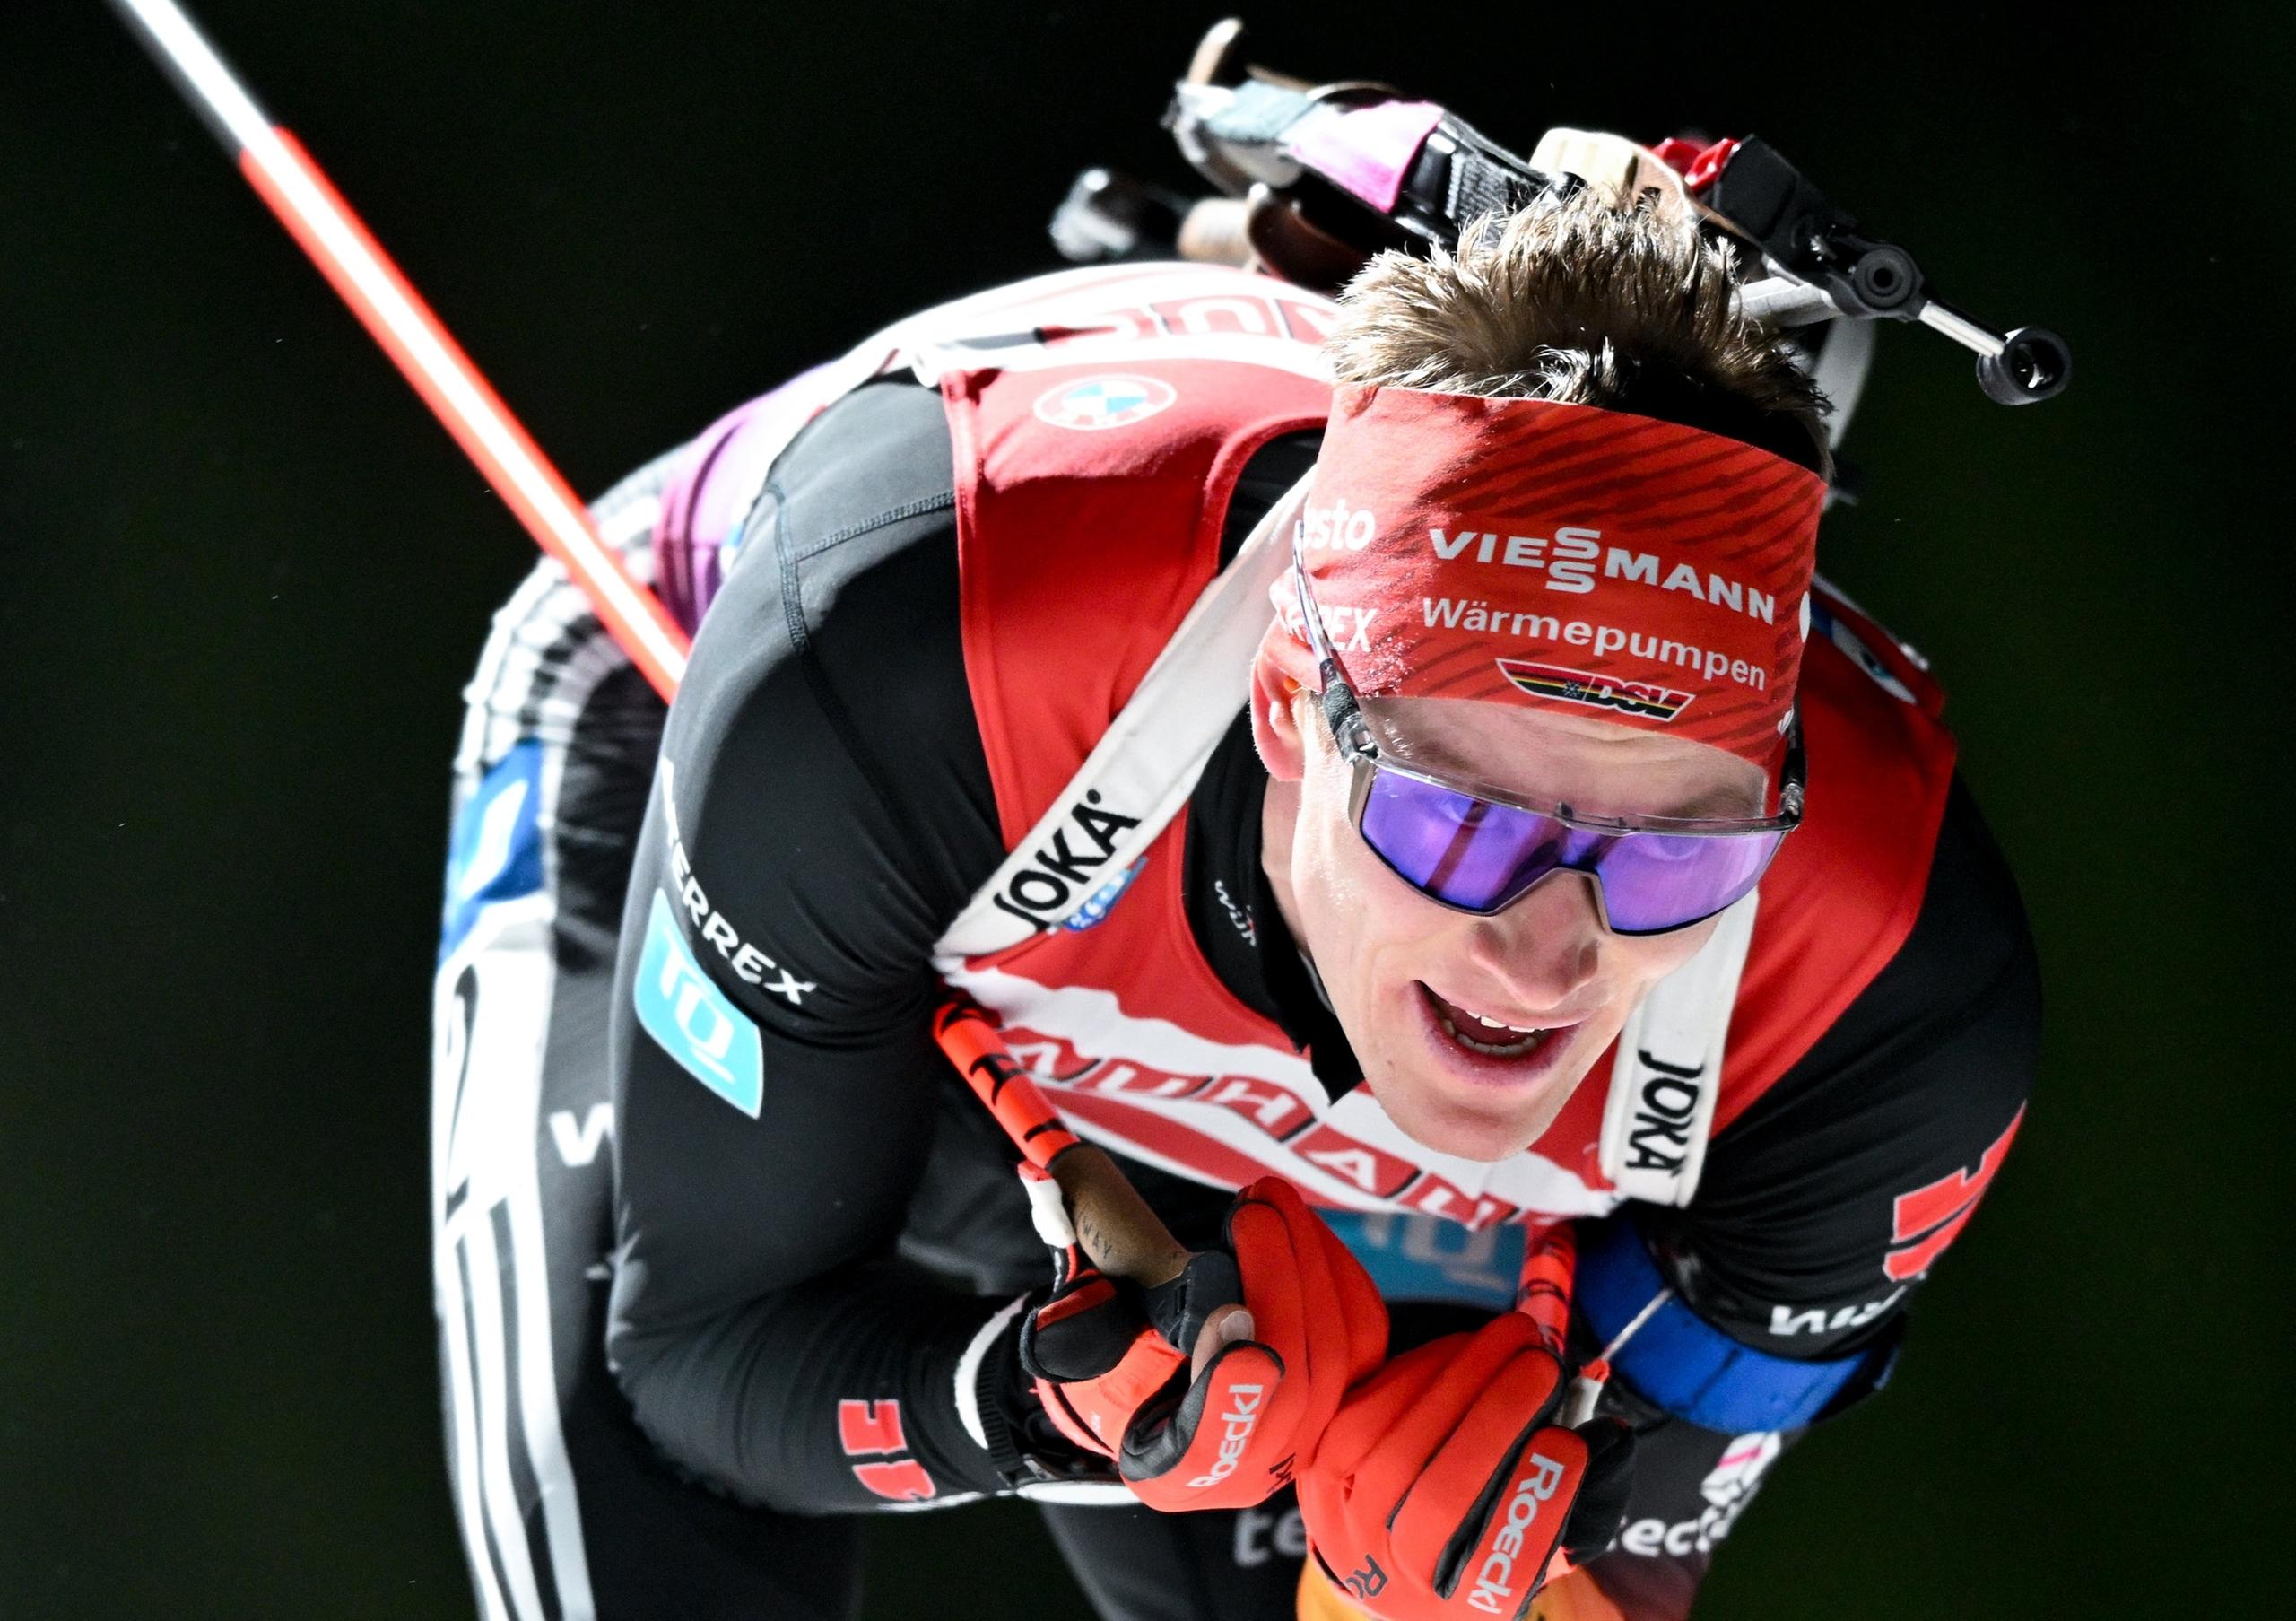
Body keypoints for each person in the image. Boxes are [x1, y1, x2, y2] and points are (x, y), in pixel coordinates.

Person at [431, 187, 2037, 1620]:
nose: (1553, 953)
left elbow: (1625, 1539)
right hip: (838, 796)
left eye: (1676, 858)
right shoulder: (909, 646)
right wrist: (1024, 1409)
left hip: (1170, 967)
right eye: (1461, 826)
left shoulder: (1894, 989)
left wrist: (1508, 1551)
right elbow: (707, 1366)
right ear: (1285, 702)